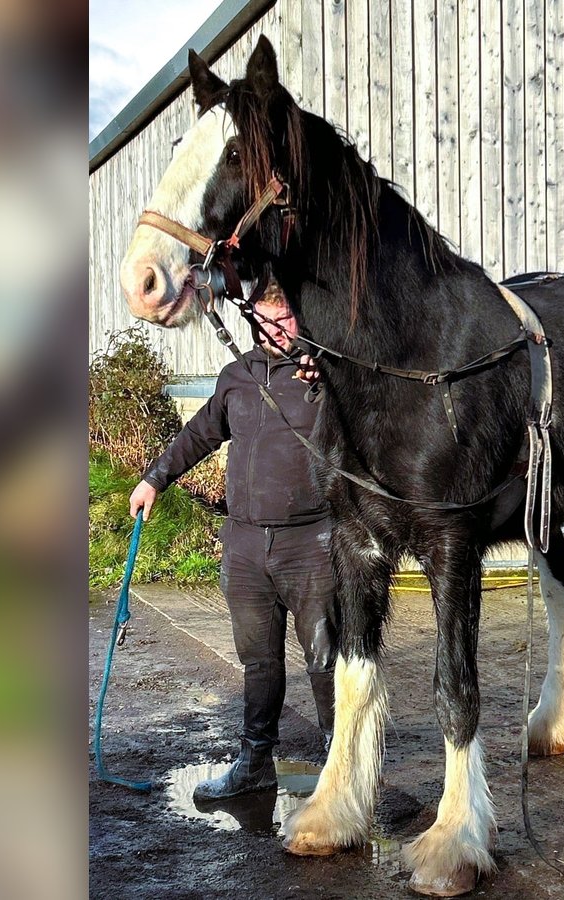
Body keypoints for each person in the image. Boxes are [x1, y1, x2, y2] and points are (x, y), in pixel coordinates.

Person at [129, 281, 336, 802]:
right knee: (259, 660)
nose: (277, 329)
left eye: (285, 318)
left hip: (311, 543)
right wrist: (154, 479)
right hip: (244, 546)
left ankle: (342, 765)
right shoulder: (236, 378)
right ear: (253, 321)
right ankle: (255, 762)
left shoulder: (326, 375)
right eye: (267, 320)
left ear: (300, 317)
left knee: (325, 658)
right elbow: (199, 434)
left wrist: (332, 379)